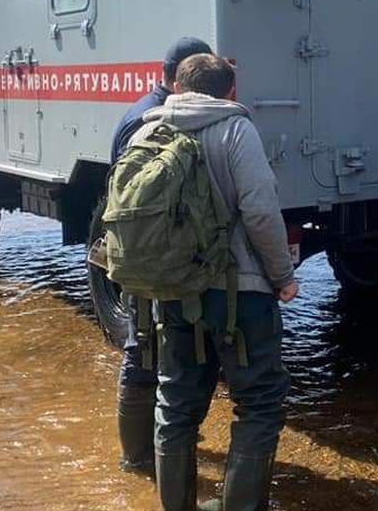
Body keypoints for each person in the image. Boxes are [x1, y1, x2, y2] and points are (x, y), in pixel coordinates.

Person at [132, 53, 300, 511]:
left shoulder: (148, 130)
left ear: (177, 86)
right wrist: (282, 277)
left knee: (177, 401)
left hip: (171, 289)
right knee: (260, 403)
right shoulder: (235, 128)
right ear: (229, 91)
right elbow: (261, 211)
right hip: (239, 292)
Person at [107, 35, 213, 477]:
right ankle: (137, 458)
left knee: (150, 347)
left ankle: (150, 450)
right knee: (143, 348)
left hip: (140, 251)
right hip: (152, 253)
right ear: (174, 79)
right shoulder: (155, 121)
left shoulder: (139, 112)